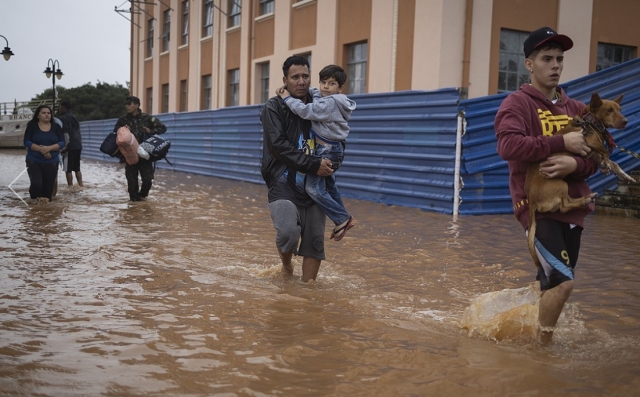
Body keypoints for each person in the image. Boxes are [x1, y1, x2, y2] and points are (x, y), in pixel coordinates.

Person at [494, 27, 598, 344]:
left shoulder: (579, 109)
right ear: (529, 64)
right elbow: (508, 146)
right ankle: (542, 353)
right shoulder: (517, 104)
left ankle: (502, 324)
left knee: (549, 283)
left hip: (574, 210)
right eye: (546, 58)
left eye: (559, 59)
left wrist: (575, 164)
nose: (555, 65)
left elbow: (596, 158)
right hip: (537, 210)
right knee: (564, 284)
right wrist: (560, 142)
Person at [260, 55, 335, 281]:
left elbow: (338, 138)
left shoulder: (320, 105)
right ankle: (286, 265)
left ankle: (308, 293)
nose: (301, 81)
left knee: (314, 241)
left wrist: (331, 164)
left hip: (316, 183)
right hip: (283, 181)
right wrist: (314, 163)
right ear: (285, 80)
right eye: (295, 77)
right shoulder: (273, 108)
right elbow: (278, 146)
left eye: (305, 76)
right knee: (288, 232)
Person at [276, 65, 357, 241]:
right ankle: (344, 219)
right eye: (323, 82)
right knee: (330, 186)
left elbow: (306, 111)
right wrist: (308, 88)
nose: (326, 87)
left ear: (340, 87)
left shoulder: (329, 104)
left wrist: (286, 97)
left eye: (332, 83)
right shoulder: (331, 98)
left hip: (327, 150)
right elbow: (318, 94)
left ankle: (342, 219)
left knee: (312, 188)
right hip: (332, 148)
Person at [113, 96, 167, 201]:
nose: (127, 106)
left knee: (147, 180)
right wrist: (123, 129)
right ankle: (134, 207)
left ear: (137, 105)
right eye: (126, 104)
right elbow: (115, 133)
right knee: (132, 182)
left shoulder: (147, 118)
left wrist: (150, 132)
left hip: (145, 154)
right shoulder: (123, 120)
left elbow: (162, 128)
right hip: (130, 155)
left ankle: (142, 198)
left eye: (129, 104)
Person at [23, 105, 66, 202]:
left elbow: (62, 142)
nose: (47, 115)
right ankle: (34, 207)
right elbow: (27, 141)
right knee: (37, 184)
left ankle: (45, 214)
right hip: (34, 161)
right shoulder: (32, 126)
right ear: (38, 115)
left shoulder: (56, 127)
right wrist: (41, 150)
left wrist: (49, 148)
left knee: (48, 190)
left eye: (49, 113)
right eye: (44, 113)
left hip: (52, 161)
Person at [58, 101, 83, 187]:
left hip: (70, 147)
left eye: (60, 107)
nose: (59, 109)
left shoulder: (63, 118)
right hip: (78, 146)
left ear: (63, 107)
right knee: (77, 168)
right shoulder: (74, 117)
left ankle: (70, 187)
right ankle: (81, 185)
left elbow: (65, 134)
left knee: (67, 169)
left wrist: (64, 147)